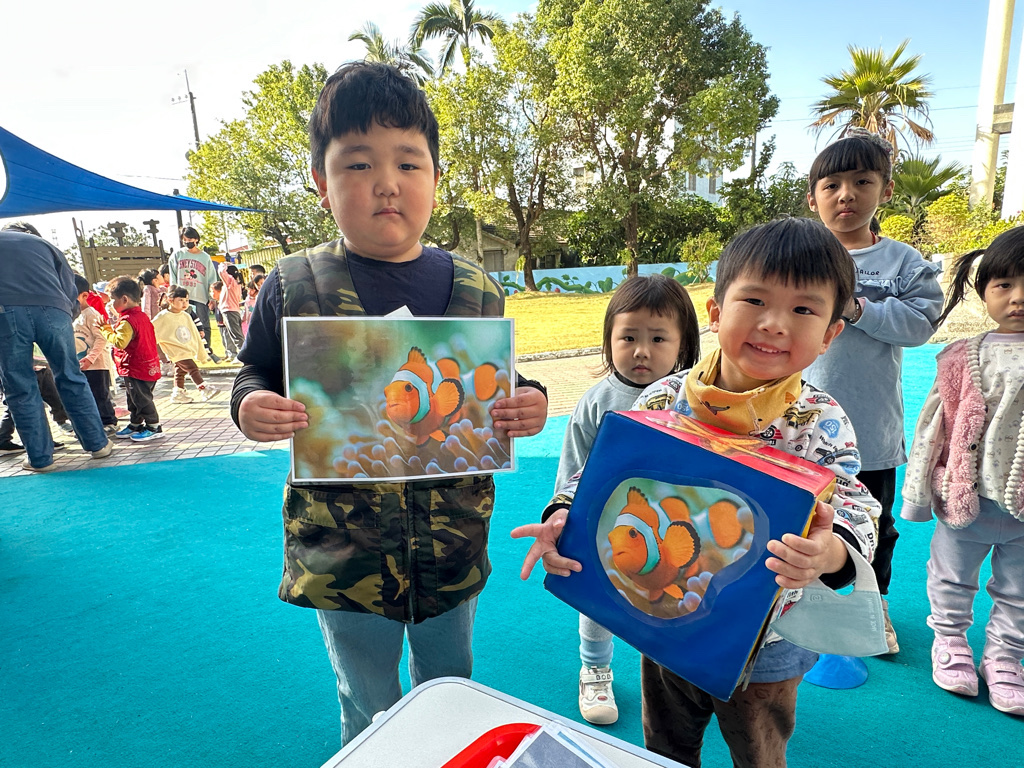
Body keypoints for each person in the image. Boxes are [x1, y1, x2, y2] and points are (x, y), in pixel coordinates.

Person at [231, 61, 549, 746]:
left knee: (452, 685)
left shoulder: (477, 289)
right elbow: (253, 371)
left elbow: (502, 381)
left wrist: (531, 401)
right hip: (344, 554)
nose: (386, 182)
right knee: (367, 699)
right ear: (321, 183)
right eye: (357, 164)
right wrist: (251, 404)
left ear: (435, 177)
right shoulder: (292, 285)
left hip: (450, 546)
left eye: (408, 162)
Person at [514, 218, 881, 768]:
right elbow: (602, 475)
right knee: (665, 743)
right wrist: (567, 516)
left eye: (804, 309)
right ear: (714, 311)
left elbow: (854, 505)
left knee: (758, 750)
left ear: (830, 334)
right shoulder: (662, 397)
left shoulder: (820, 421)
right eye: (754, 300)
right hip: (663, 616)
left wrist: (828, 553)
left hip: (766, 642)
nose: (774, 323)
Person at [803, 129, 944, 654]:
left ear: (885, 190)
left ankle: (874, 602)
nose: (846, 195)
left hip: (870, 433)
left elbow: (921, 323)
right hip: (797, 427)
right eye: (832, 185)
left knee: (874, 523)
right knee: (798, 516)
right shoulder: (803, 255)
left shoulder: (903, 262)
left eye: (861, 182)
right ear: (813, 198)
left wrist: (858, 308)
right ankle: (798, 601)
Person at [548, 274, 700, 725]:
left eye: (658, 338)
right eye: (628, 337)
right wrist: (564, 517)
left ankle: (679, 674)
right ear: (608, 340)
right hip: (610, 527)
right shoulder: (597, 402)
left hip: (671, 525)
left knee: (672, 592)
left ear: (684, 344)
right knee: (600, 597)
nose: (641, 351)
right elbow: (573, 466)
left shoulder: (696, 398)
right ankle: (595, 668)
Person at [901, 227, 1024, 717]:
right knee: (951, 577)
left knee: (1019, 589)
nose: (1018, 298)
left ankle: (1005, 657)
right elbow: (934, 426)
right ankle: (950, 640)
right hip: (966, 496)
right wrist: (917, 497)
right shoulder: (960, 357)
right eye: (1004, 285)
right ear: (984, 290)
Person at [0, 221, 113, 471]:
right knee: (70, 376)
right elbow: (70, 289)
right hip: (54, 310)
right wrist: (64, 318)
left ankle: (40, 459)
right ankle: (98, 445)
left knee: (20, 386)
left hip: (6, 312)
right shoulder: (46, 246)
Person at [99, 276, 163, 442]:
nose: (110, 304)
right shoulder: (141, 316)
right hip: (147, 366)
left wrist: (106, 330)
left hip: (136, 368)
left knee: (142, 399)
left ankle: (153, 426)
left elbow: (120, 342)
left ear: (124, 299)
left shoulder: (127, 321)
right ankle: (136, 423)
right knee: (134, 398)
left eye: (112, 300)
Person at [153, 287, 219, 404]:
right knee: (192, 368)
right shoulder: (163, 316)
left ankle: (178, 393)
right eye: (181, 300)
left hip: (186, 348)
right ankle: (203, 388)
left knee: (180, 371)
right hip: (175, 350)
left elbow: (193, 331)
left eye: (187, 300)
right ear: (170, 300)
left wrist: (199, 346)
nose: (184, 303)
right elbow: (151, 330)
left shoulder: (186, 315)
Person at [73, 274, 118, 435]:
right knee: (87, 396)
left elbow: (102, 338)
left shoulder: (92, 314)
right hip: (80, 364)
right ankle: (94, 423)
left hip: (97, 364)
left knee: (100, 394)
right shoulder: (72, 316)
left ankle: (109, 422)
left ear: (84, 295)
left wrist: (91, 358)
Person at [167, 226, 220, 361]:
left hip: (200, 295)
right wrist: (173, 294)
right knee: (183, 325)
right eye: (184, 239)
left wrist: (212, 297)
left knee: (204, 324)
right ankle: (187, 352)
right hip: (182, 296)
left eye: (190, 239)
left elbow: (211, 278)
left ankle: (206, 350)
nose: (187, 242)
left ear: (196, 239)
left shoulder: (205, 257)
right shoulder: (177, 255)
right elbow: (173, 277)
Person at [217, 263, 244, 362]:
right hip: (233, 310)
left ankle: (242, 354)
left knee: (235, 334)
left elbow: (221, 272)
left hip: (229, 311)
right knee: (236, 333)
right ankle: (242, 353)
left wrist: (223, 264)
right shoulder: (237, 284)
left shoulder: (230, 281)